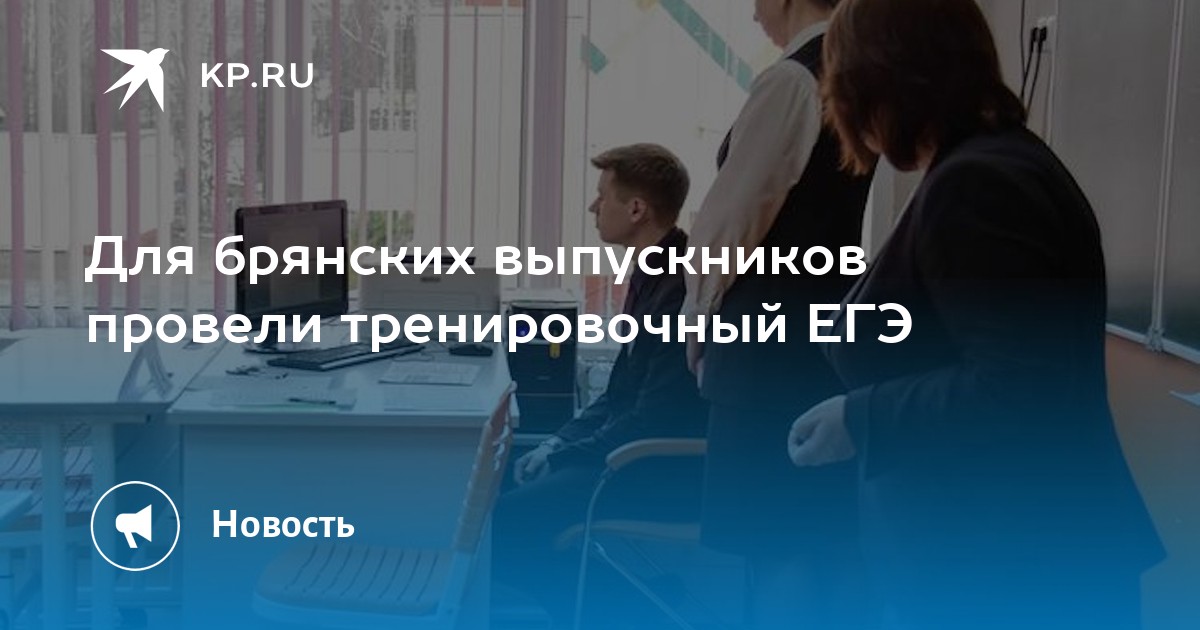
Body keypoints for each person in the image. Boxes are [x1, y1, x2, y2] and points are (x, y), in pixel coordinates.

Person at [788, 0, 1166, 628]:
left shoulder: (976, 186)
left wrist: (861, 418)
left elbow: (1020, 384)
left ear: (875, 81)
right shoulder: (997, 162)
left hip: (1007, 564)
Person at [681, 0, 874, 626]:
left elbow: (731, 219)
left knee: (776, 547)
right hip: (823, 345)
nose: (753, 12)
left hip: (762, 352)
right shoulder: (855, 78)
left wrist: (699, 314)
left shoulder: (792, 80)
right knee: (827, 543)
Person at [493, 144, 708, 626]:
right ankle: (637, 603)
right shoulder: (652, 272)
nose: (593, 207)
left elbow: (653, 416)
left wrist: (564, 455)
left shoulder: (678, 286)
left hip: (654, 469)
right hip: (632, 453)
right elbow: (618, 394)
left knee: (503, 525)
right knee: (503, 498)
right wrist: (556, 443)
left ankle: (635, 614)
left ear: (636, 209)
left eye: (602, 195)